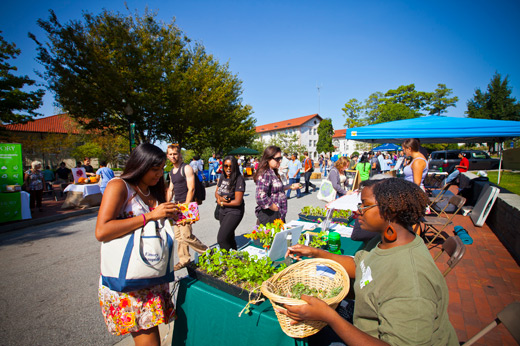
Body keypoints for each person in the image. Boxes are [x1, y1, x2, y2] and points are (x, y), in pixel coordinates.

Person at [282, 178, 458, 345]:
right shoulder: (385, 241)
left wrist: (329, 317)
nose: (357, 211)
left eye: (365, 205)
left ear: (389, 211)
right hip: (364, 323)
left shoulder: (411, 281)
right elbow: (360, 266)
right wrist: (317, 253)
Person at [95, 143, 179, 344]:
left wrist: (172, 216)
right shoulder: (119, 186)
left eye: (162, 169)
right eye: (155, 169)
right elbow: (102, 231)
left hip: (152, 275)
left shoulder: (152, 189)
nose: (160, 174)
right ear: (140, 165)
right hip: (130, 281)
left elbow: (152, 225)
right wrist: (150, 216)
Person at [166, 144, 208, 270]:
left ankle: (207, 252)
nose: (173, 156)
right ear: (167, 156)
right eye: (170, 154)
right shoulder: (171, 172)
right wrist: (166, 204)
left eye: (175, 154)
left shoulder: (187, 168)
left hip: (185, 206)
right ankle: (184, 260)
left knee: (186, 235)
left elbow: (192, 189)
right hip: (176, 205)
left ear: (180, 154)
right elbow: (170, 190)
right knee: (179, 236)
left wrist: (185, 208)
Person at [254, 146, 301, 224]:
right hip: (270, 216)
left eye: (280, 158)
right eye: (277, 159)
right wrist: (275, 208)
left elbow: (276, 189)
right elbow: (260, 197)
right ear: (268, 158)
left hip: (277, 215)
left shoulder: (272, 171)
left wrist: (291, 186)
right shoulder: (265, 173)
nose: (280, 161)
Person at [215, 156, 245, 250]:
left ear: (235, 166)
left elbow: (237, 202)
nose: (228, 168)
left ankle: (227, 260)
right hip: (222, 211)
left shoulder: (239, 179)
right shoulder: (223, 176)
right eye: (226, 166)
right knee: (229, 237)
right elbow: (216, 192)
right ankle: (235, 259)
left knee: (222, 239)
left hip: (234, 211)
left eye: (231, 166)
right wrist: (220, 198)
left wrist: (222, 203)